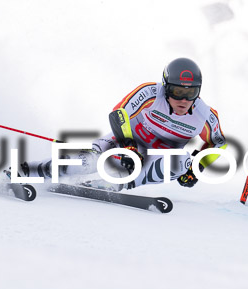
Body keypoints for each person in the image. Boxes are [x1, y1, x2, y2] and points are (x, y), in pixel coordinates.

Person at [16, 57, 227, 190]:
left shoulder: (204, 114)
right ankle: (25, 171)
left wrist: (198, 166)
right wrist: (129, 146)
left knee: (181, 162)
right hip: (125, 145)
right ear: (166, 86)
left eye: (191, 93)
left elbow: (218, 144)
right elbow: (118, 113)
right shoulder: (151, 93)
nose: (184, 100)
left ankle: (117, 184)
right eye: (178, 92)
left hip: (155, 160)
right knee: (87, 161)